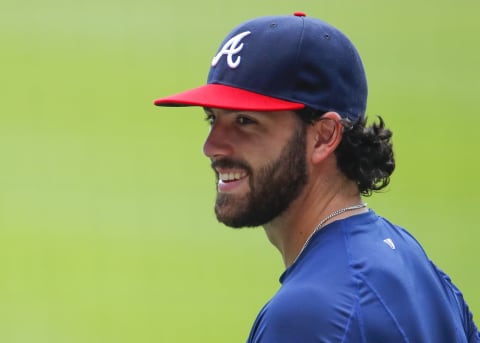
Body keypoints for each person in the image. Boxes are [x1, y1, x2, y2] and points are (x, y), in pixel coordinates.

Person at [154, 12, 479, 342]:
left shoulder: (306, 317)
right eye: (212, 119)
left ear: (324, 136)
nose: (212, 147)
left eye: (245, 122)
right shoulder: (410, 260)